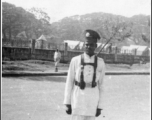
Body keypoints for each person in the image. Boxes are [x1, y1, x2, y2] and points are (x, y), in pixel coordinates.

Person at [63, 29, 106, 120]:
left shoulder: (100, 62)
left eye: (91, 45)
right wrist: (67, 102)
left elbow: (102, 86)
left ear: (96, 46)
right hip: (78, 98)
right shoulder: (75, 60)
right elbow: (69, 82)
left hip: (92, 99)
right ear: (83, 45)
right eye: (86, 44)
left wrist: (100, 106)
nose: (88, 47)